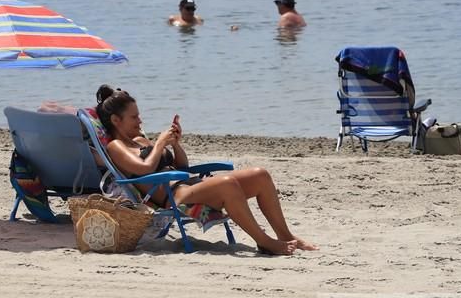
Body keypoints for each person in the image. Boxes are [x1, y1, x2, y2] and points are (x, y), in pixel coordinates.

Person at [94, 84, 318, 255]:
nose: (140, 120)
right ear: (116, 120)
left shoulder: (140, 140)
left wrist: (175, 144)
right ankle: (265, 242)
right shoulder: (116, 147)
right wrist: (160, 143)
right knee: (228, 184)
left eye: (139, 115)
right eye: (134, 117)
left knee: (260, 175)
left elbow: (182, 167)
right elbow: (144, 169)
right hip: (174, 195)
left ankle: (286, 235)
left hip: (188, 184)